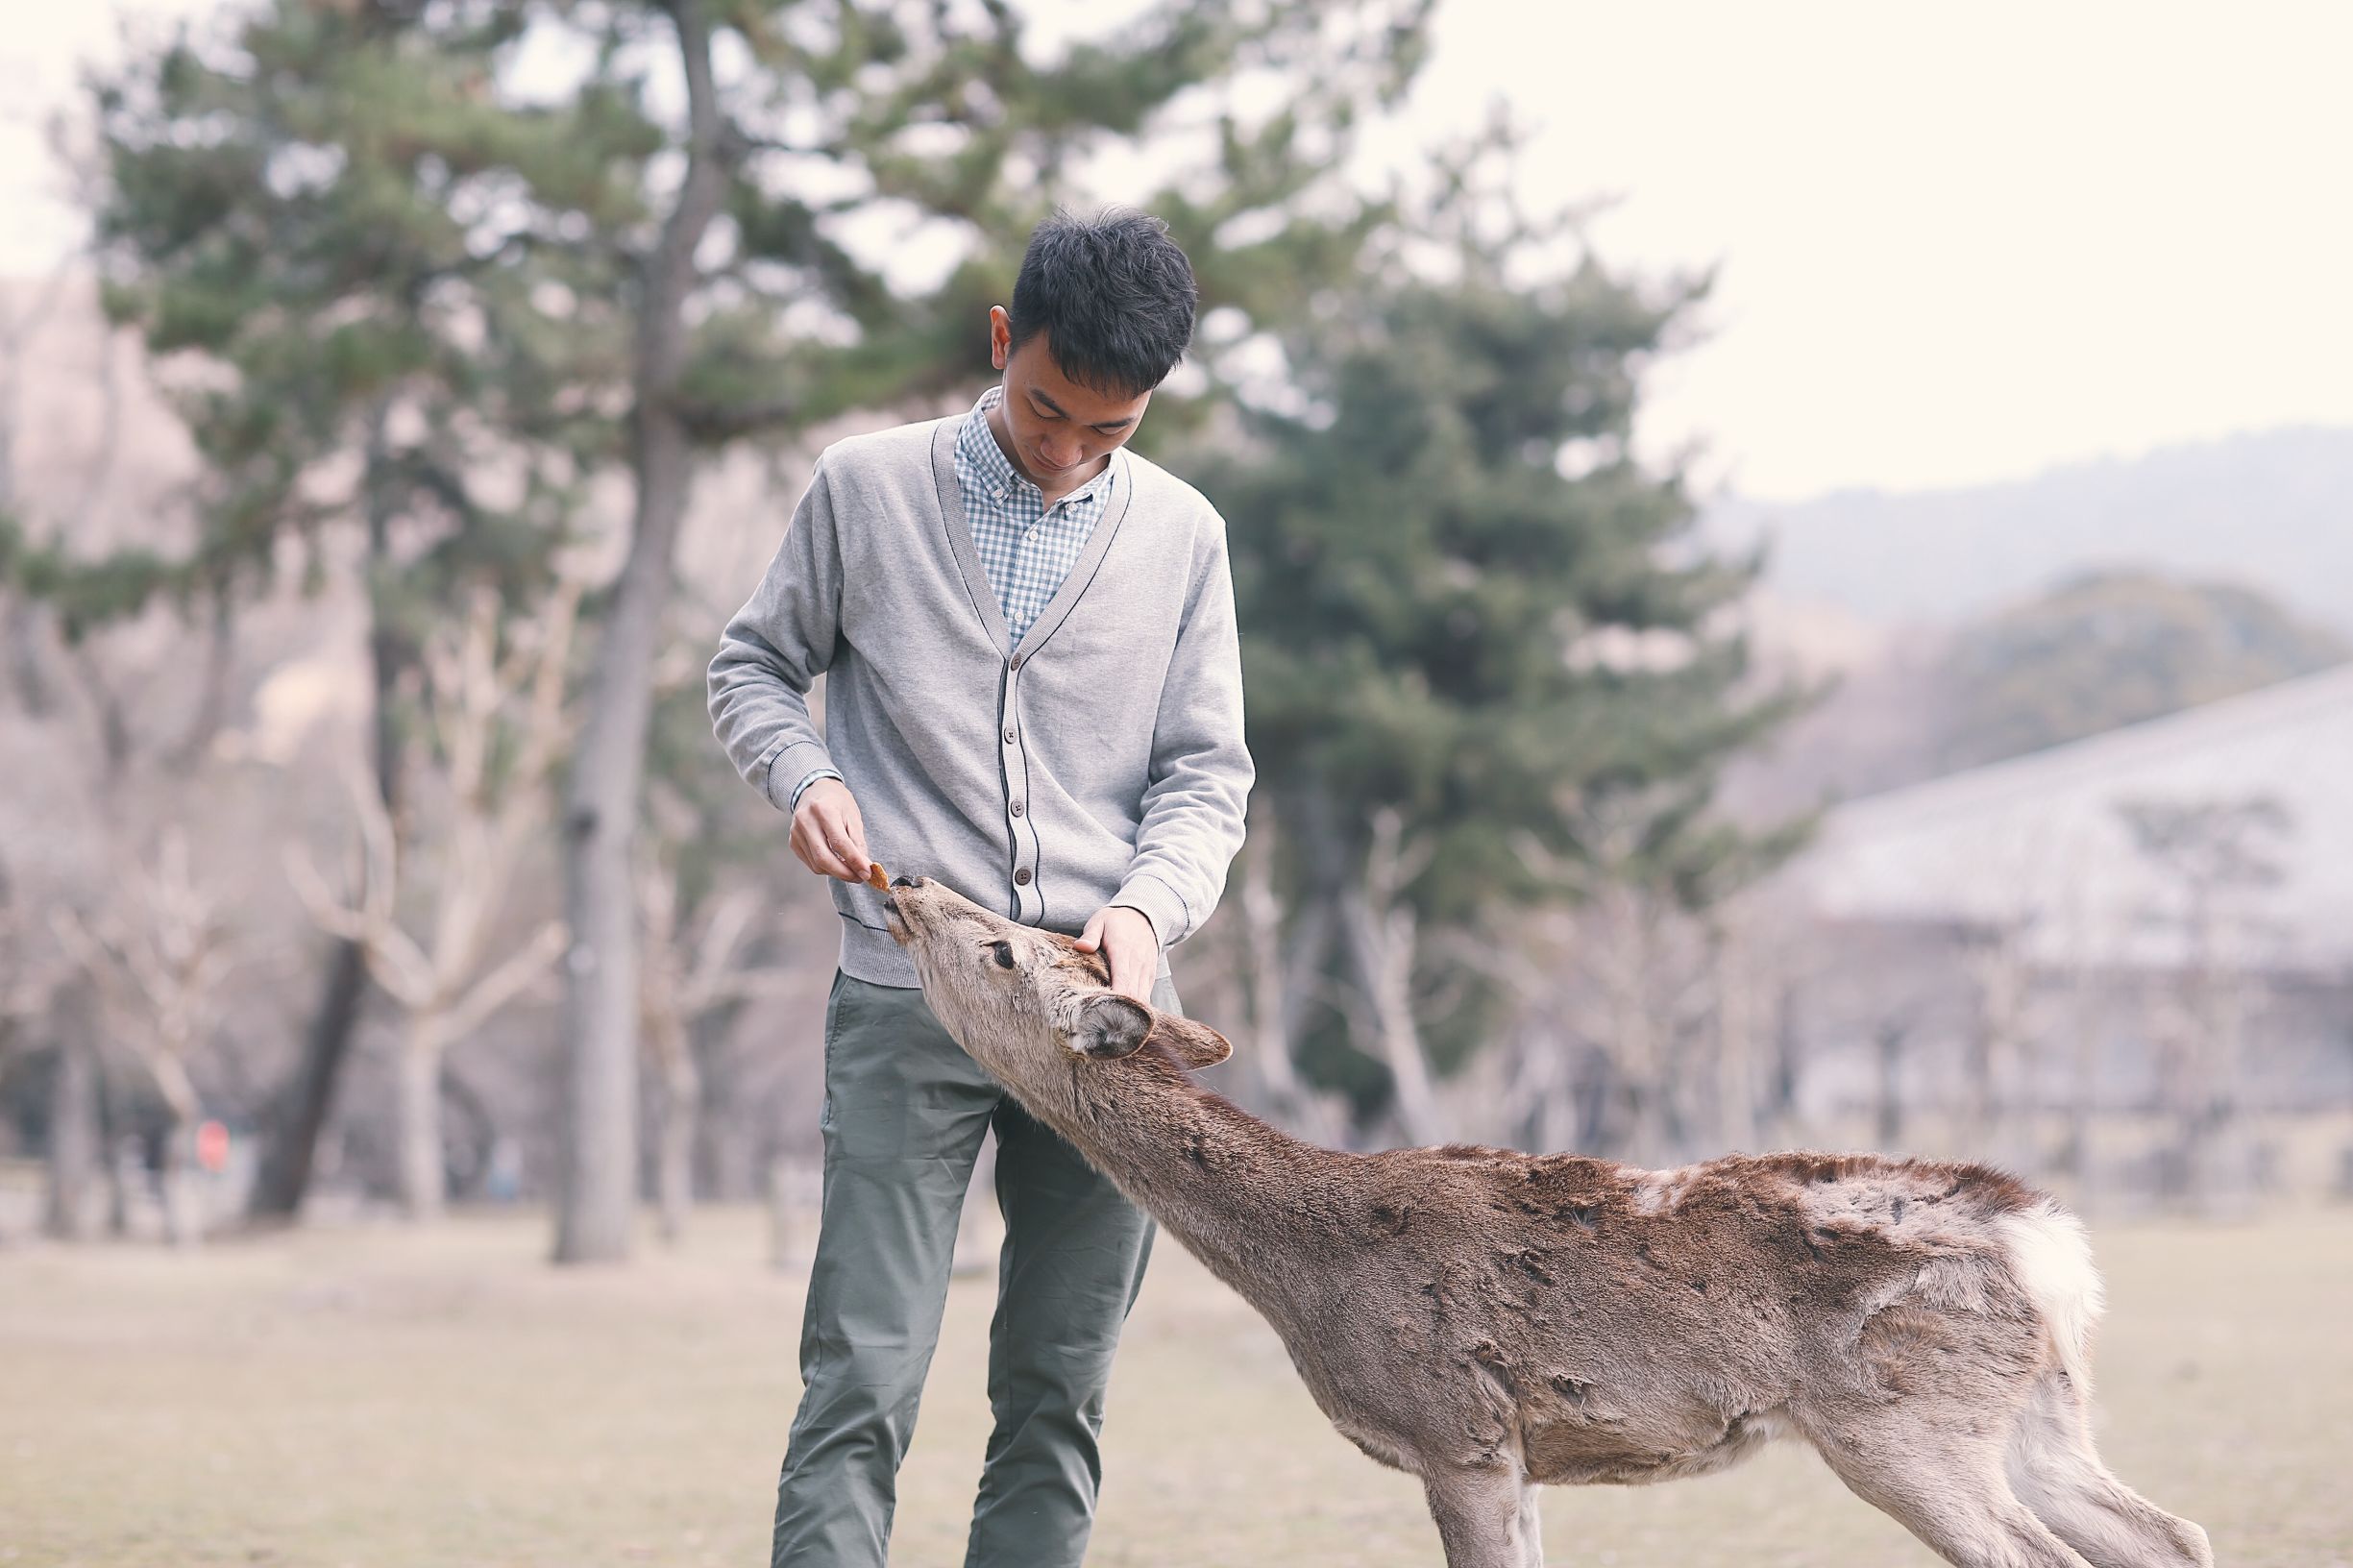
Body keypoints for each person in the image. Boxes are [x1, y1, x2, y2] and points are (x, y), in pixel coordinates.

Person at [708, 208, 1253, 1568]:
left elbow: (1204, 776)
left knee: (1058, 1392)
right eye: (1046, 409)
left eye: (1108, 434)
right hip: (908, 1001)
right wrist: (804, 778)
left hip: (1102, 1023)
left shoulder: (1183, 535)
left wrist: (1143, 914)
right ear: (1003, 342)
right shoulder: (863, 488)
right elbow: (752, 668)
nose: (1068, 454)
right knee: (860, 1382)